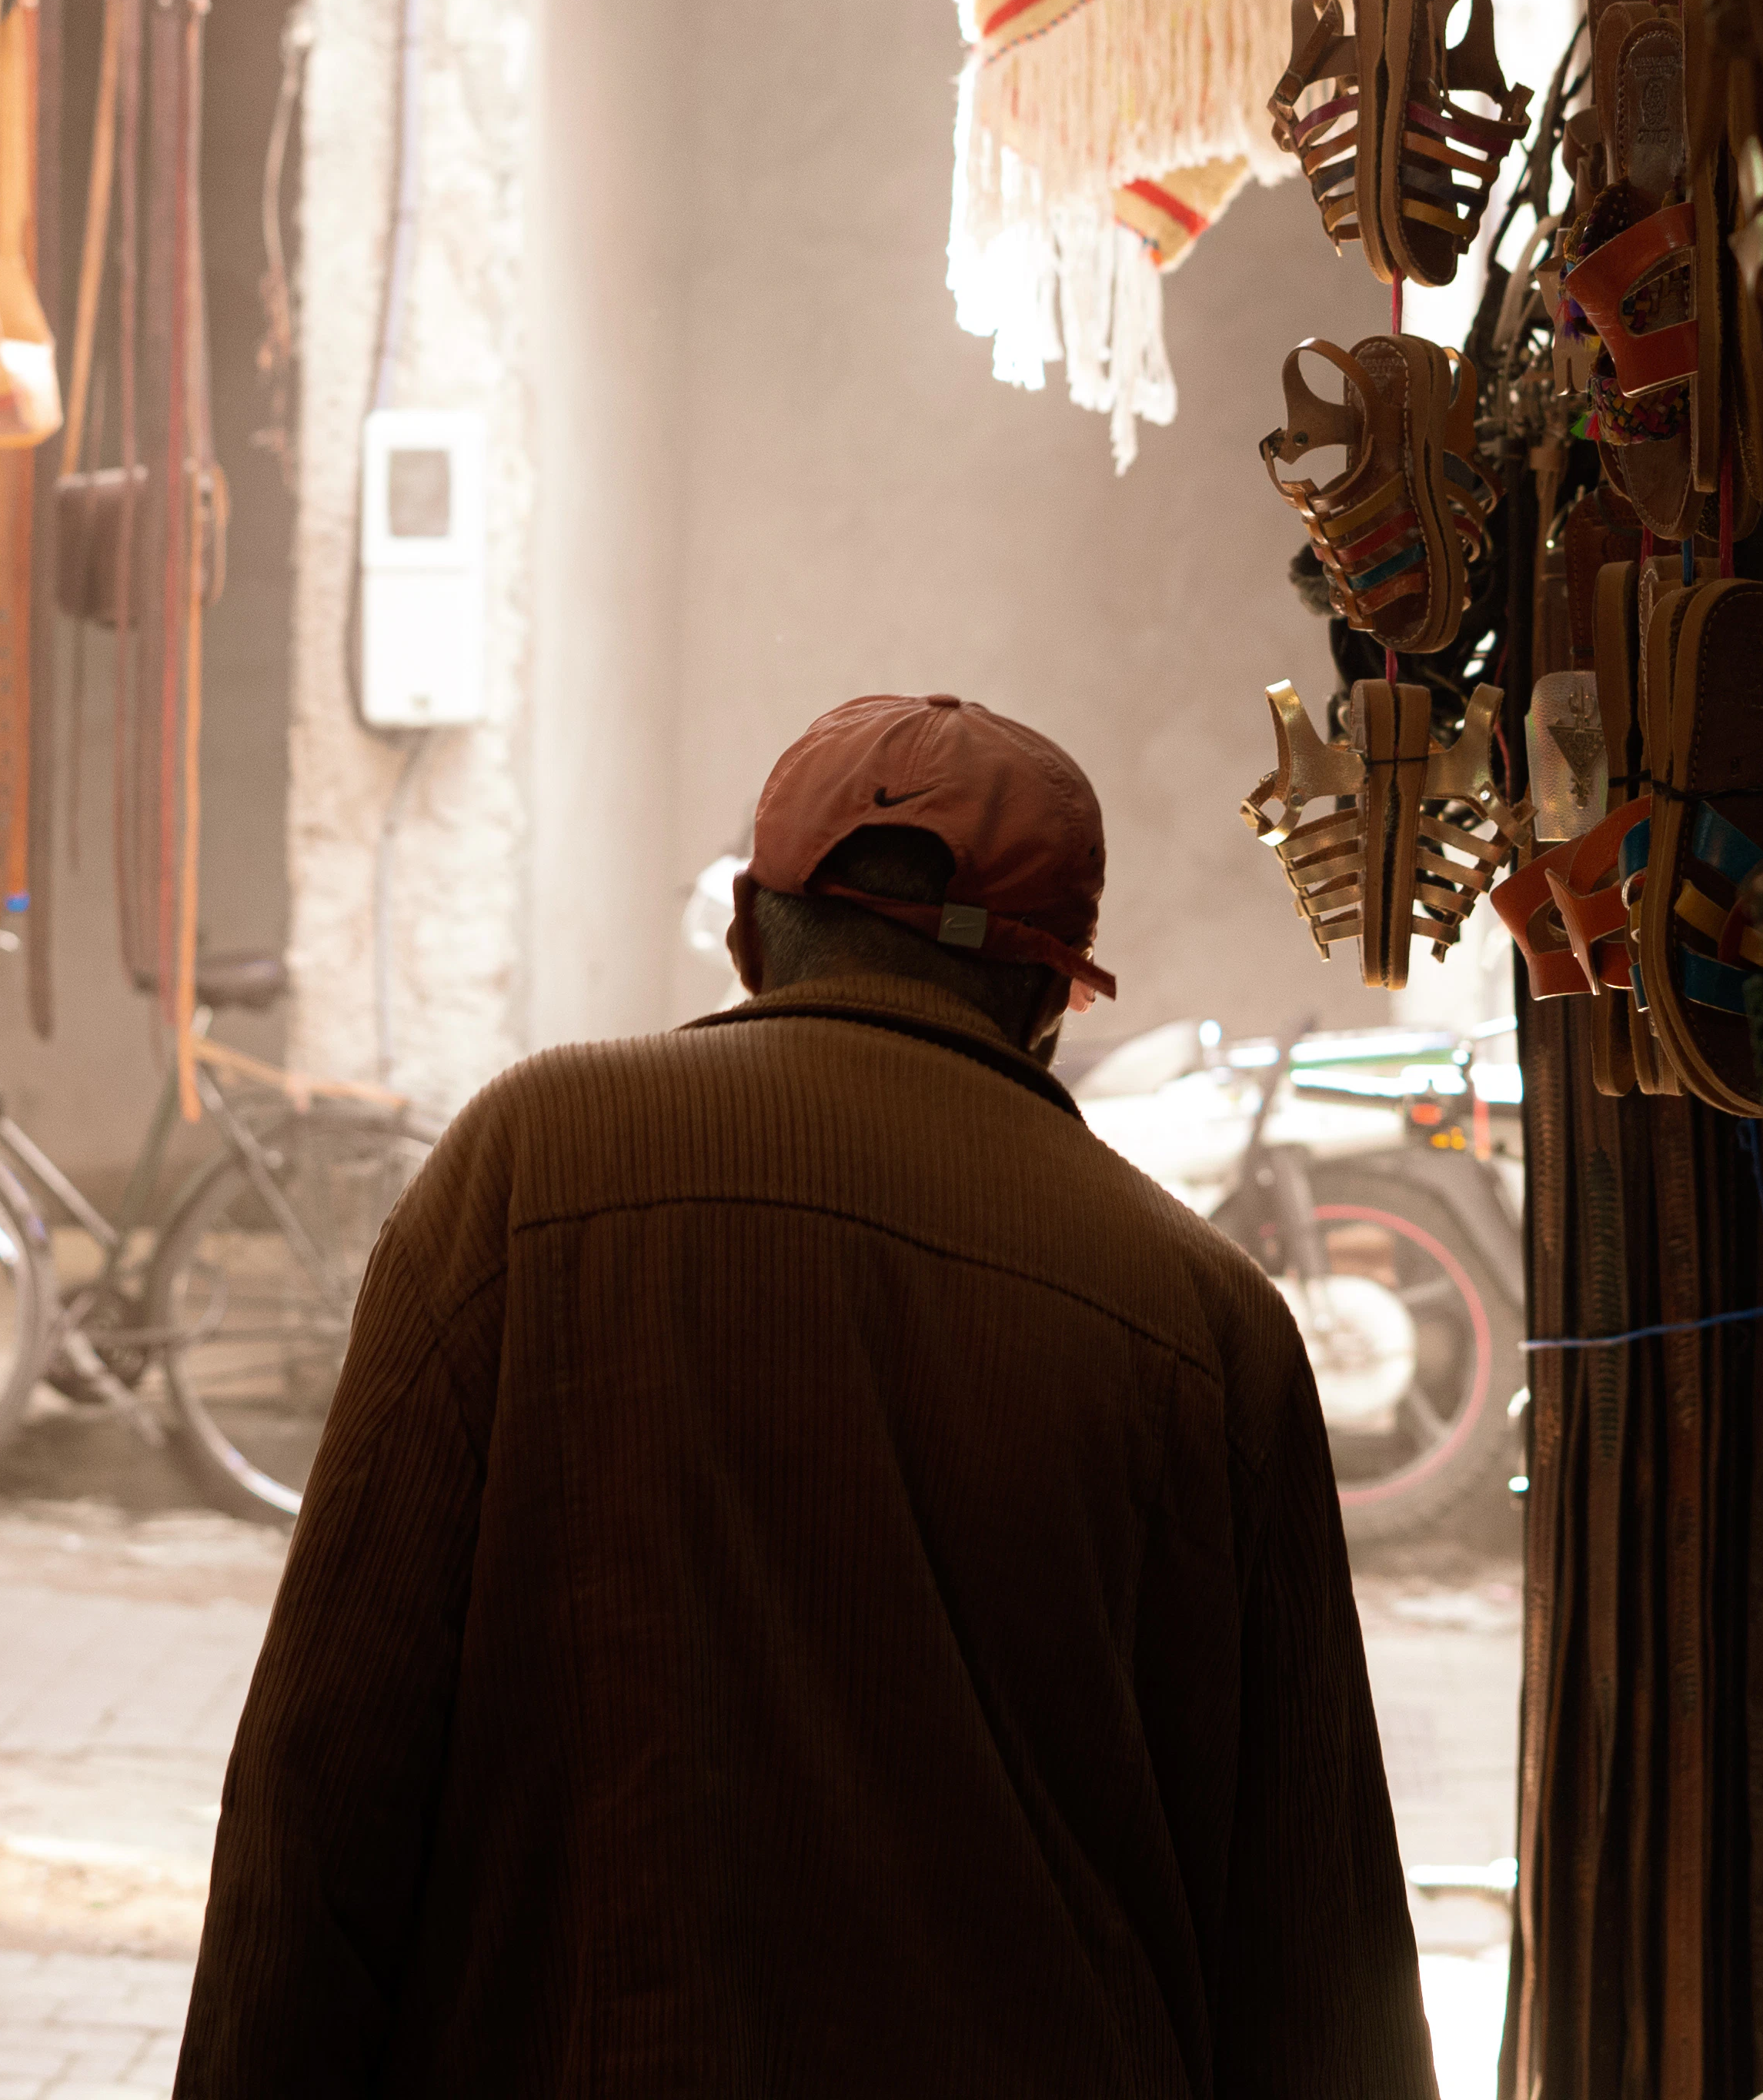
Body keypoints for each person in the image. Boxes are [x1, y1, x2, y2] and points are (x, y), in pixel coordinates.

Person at [179, 692, 1437, 2098]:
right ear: (1049, 998)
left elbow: (319, 1786)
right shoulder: (1211, 1325)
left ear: (746, 935)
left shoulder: (527, 1168)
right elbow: (1317, 1954)